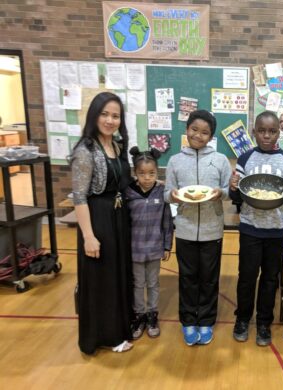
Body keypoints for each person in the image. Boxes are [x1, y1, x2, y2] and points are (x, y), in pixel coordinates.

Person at [229, 111, 283, 347]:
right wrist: (232, 187)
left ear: (279, 132)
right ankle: (242, 319)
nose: (267, 136)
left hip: (277, 230)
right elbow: (236, 195)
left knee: (270, 278)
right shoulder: (245, 158)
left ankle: (263, 323)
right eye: (262, 131)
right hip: (250, 227)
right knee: (247, 277)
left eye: (272, 131)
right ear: (254, 132)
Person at [70, 92, 133, 354]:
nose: (110, 120)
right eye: (104, 114)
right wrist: (88, 236)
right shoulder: (85, 150)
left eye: (115, 115)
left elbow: (123, 182)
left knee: (118, 275)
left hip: (119, 217)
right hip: (98, 219)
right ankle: (102, 337)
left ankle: (119, 329)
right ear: (94, 115)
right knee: (101, 279)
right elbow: (79, 196)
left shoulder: (117, 145)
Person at [164, 110, 232, 346]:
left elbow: (228, 190)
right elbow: (167, 194)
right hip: (184, 228)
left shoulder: (221, 160)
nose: (198, 135)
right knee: (188, 277)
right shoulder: (175, 160)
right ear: (187, 129)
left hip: (212, 229)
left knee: (209, 278)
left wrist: (220, 193)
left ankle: (206, 321)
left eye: (205, 132)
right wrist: (172, 196)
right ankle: (188, 321)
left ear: (211, 136)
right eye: (194, 129)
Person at [126, 147, 174, 340]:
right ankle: (139, 315)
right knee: (138, 283)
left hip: (155, 247)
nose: (147, 178)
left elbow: (167, 221)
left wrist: (167, 245)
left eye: (151, 173)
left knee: (153, 283)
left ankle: (152, 314)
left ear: (157, 172)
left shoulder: (161, 192)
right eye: (142, 173)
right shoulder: (128, 193)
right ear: (134, 173)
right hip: (134, 249)